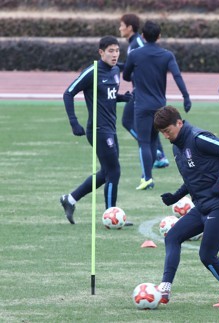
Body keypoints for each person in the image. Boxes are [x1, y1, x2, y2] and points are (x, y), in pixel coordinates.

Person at [153, 105, 219, 308]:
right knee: (173, 237)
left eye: (168, 131)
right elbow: (196, 177)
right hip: (203, 206)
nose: (166, 136)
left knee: (207, 255)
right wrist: (176, 196)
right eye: (162, 133)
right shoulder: (177, 145)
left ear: (179, 122)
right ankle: (165, 288)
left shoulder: (198, 138)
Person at [60, 36, 132, 225]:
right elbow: (68, 93)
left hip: (110, 128)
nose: (115, 54)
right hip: (98, 130)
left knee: (106, 172)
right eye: (111, 51)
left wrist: (122, 98)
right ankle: (111, 216)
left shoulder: (115, 70)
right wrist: (74, 122)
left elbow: (107, 96)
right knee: (114, 171)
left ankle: (70, 199)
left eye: (117, 51)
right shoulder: (93, 71)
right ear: (101, 52)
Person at [123, 20, 191, 190]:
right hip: (160, 106)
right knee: (153, 141)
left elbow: (125, 76)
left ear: (143, 36)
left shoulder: (135, 54)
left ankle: (146, 178)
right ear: (159, 36)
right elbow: (177, 76)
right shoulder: (167, 55)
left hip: (142, 106)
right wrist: (186, 96)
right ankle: (147, 177)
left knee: (144, 142)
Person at [118, 13, 169, 169]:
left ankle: (157, 152)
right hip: (142, 92)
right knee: (146, 126)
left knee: (128, 121)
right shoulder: (133, 43)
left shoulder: (138, 44)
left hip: (143, 93)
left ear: (129, 27)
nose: (119, 28)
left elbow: (142, 66)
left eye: (121, 25)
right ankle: (157, 153)